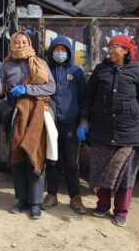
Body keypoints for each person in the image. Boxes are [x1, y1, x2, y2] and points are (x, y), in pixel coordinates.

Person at [78, 34, 139, 227]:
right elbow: (87, 99)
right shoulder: (101, 70)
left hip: (129, 132)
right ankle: (102, 206)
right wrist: (83, 121)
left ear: (125, 50)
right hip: (102, 130)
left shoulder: (136, 72)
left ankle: (121, 211)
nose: (109, 51)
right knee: (100, 169)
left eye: (114, 47)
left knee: (126, 174)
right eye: (108, 47)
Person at [0, 31, 55, 220]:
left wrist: (27, 89)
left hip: (36, 115)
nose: (19, 45)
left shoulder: (40, 63)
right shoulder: (6, 65)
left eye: (23, 41)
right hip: (16, 116)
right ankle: (22, 200)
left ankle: (35, 203)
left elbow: (51, 87)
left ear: (29, 43)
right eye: (16, 42)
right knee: (17, 156)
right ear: (11, 45)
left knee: (34, 155)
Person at [42, 35, 88, 214]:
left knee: (71, 162)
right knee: (51, 159)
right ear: (51, 52)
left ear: (69, 53)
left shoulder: (76, 72)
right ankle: (51, 195)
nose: (60, 53)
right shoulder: (46, 70)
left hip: (71, 123)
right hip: (51, 123)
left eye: (63, 50)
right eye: (56, 50)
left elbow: (84, 98)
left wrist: (83, 121)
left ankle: (75, 197)